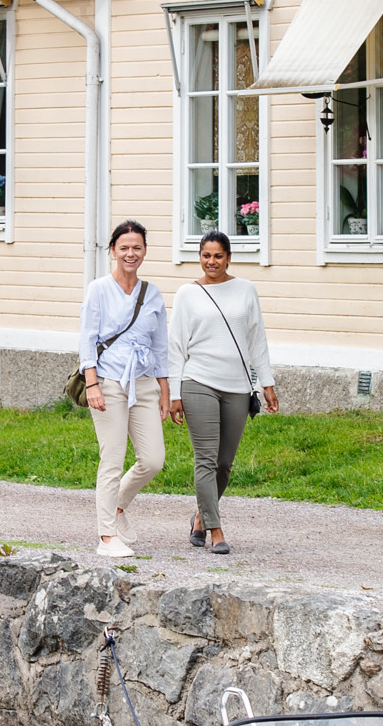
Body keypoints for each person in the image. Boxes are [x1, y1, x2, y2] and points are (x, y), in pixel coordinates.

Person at [165, 230, 279, 553]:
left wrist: (266, 383)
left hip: (237, 388)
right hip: (198, 381)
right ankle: (216, 531)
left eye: (217, 256)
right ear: (198, 257)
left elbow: (257, 339)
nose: (211, 262)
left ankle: (200, 517)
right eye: (205, 255)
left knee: (224, 464)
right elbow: (176, 347)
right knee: (206, 459)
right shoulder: (187, 294)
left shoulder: (245, 290)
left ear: (228, 257)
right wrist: (175, 393)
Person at [79, 220, 171, 558]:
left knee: (153, 460)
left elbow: (160, 345)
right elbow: (87, 339)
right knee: (112, 458)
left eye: (137, 247)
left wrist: (165, 390)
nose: (130, 253)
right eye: (124, 248)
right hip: (108, 381)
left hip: (144, 383)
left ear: (145, 250)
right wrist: (92, 383)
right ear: (113, 251)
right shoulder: (99, 289)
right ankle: (106, 536)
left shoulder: (153, 294)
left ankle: (116, 508)